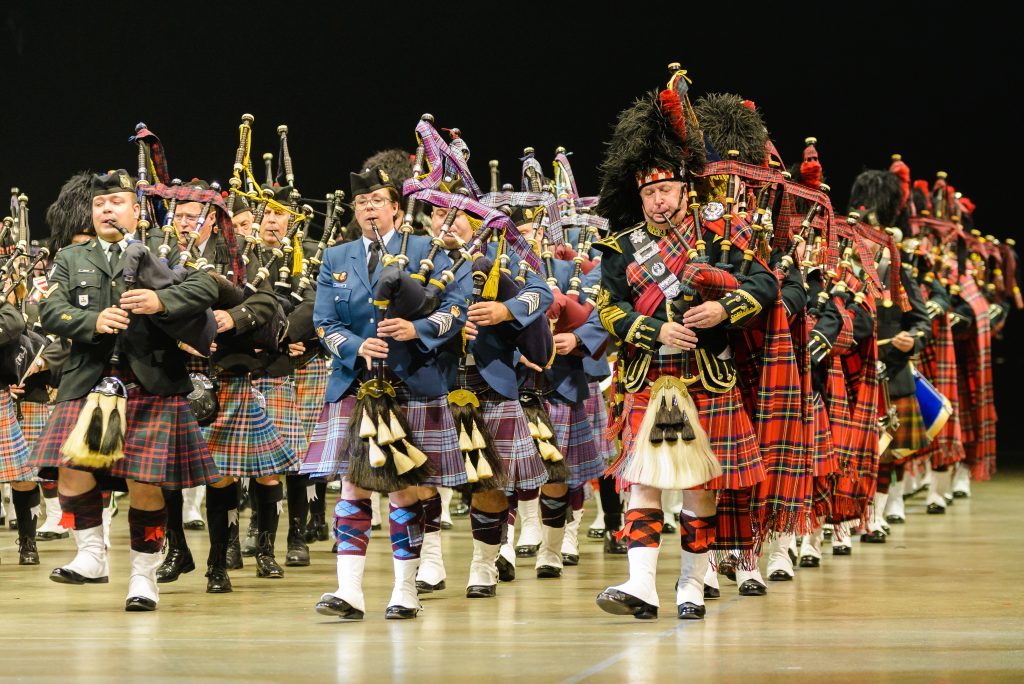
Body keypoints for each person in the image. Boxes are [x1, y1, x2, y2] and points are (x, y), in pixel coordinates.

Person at [592, 82, 776, 620]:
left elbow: (765, 284)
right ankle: (641, 585)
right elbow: (609, 309)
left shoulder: (721, 235)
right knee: (642, 480)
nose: (657, 200)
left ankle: (692, 585)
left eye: (666, 190)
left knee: (700, 485)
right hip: (649, 374)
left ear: (684, 191)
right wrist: (652, 331)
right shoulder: (621, 248)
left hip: (706, 374)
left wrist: (723, 310)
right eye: (649, 193)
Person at [29, 169, 220, 611]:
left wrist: (161, 301)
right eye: (99, 205)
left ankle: (143, 577)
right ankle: (92, 555)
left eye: (115, 203)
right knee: (70, 471)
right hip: (87, 379)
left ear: (136, 210)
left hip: (151, 380)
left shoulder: (163, 249)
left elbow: (206, 285)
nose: (106, 210)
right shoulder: (70, 259)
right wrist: (90, 322)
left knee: (145, 483)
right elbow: (50, 308)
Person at [303, 165, 468, 620]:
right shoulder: (337, 258)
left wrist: (415, 329)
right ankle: (348, 591)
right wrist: (358, 345)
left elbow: (456, 311)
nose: (369, 207)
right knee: (351, 486)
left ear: (396, 207)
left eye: (377, 199)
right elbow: (323, 323)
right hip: (357, 382)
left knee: (405, 489)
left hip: (412, 382)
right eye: (361, 202)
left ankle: (405, 590)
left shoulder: (426, 250)